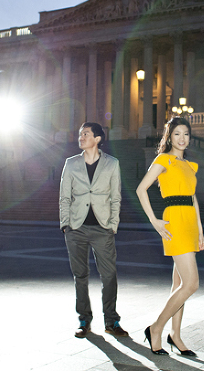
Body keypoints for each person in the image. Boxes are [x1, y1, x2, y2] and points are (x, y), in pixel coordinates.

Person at [136, 116, 204, 356]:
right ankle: (156, 328)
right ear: (169, 137)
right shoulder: (163, 159)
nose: (182, 138)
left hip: (189, 222)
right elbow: (141, 189)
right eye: (177, 134)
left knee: (179, 284)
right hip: (174, 221)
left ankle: (175, 335)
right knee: (191, 284)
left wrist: (200, 231)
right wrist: (154, 220)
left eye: (186, 134)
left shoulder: (190, 165)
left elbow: (193, 198)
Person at [59, 122, 128, 338]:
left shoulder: (112, 164)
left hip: (102, 227)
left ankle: (111, 320)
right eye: (80, 134)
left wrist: (113, 224)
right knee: (80, 275)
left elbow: (116, 197)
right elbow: (64, 196)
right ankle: (84, 320)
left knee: (109, 275)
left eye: (86, 134)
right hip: (76, 228)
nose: (81, 137)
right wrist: (65, 224)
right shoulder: (71, 163)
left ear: (97, 139)